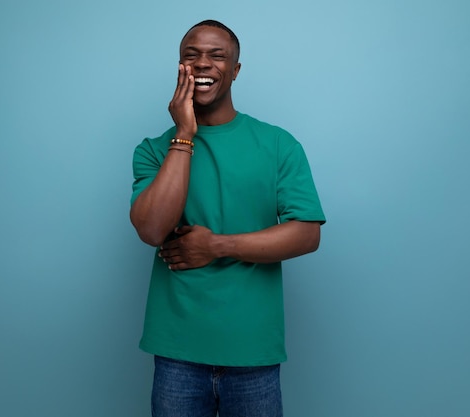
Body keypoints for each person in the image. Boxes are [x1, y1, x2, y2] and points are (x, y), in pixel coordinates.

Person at [130, 19, 325, 417]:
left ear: (235, 70)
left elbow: (306, 234)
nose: (203, 63)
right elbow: (151, 229)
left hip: (252, 351)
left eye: (217, 56)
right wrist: (184, 133)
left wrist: (216, 246)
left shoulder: (277, 144)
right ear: (180, 67)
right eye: (191, 55)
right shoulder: (153, 150)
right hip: (177, 352)